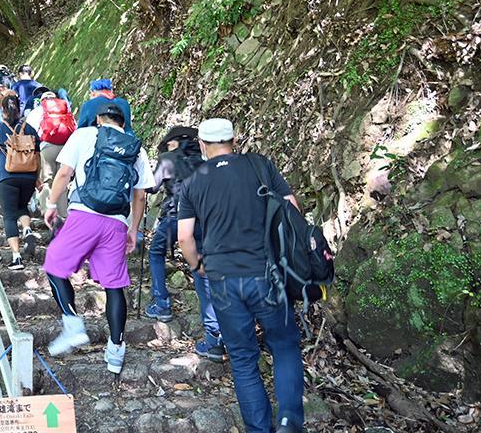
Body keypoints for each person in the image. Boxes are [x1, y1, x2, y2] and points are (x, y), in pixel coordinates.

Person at [177, 119, 304, 433]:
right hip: (266, 273)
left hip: (222, 280)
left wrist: (198, 266)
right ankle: (289, 422)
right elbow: (292, 209)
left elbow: (185, 238)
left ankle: (259, 429)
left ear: (203, 146)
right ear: (234, 140)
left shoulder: (194, 182)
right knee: (285, 345)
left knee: (243, 357)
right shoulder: (259, 166)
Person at [42, 103, 154, 375]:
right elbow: (140, 196)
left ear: (98, 119)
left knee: (54, 265)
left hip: (84, 216)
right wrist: (133, 229)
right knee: (114, 286)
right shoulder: (135, 148)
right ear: (123, 121)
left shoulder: (83, 135)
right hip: (117, 222)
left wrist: (52, 204)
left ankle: (72, 324)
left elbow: (64, 173)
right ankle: (116, 351)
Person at [145, 126, 225, 359]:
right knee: (201, 271)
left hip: (176, 219)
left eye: (168, 143)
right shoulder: (204, 161)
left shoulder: (168, 159)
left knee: (155, 253)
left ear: (175, 142)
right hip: (205, 223)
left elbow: (152, 186)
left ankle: (162, 303)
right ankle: (214, 336)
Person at [0, 94, 41, 271]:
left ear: (2, 109)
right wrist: (36, 178)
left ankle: (17, 257)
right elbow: (37, 155)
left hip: (7, 176)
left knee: (9, 215)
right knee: (22, 206)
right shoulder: (29, 128)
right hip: (29, 175)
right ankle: (28, 230)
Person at [28, 91, 76, 221]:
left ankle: (48, 214)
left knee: (47, 182)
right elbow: (74, 127)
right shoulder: (66, 110)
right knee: (63, 180)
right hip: (66, 148)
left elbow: (29, 132)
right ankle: (63, 215)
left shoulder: (38, 111)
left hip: (46, 148)